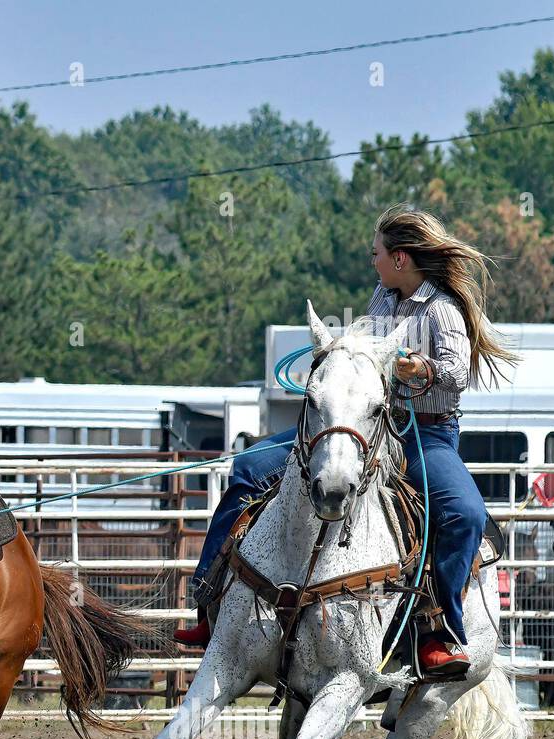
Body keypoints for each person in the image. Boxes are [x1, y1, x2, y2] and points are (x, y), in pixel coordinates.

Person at [175, 206, 518, 674]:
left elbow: (456, 375)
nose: (371, 261)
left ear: (400, 259)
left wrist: (422, 368)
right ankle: (209, 597)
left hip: (426, 434)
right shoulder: (383, 295)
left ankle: (444, 630)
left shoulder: (444, 310)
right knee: (250, 468)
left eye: (376, 253)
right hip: (365, 424)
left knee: (464, 514)